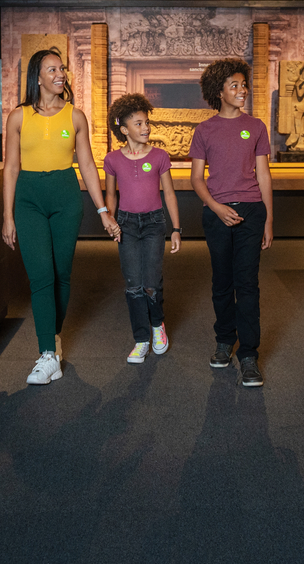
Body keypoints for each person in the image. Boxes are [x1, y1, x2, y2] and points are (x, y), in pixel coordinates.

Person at [2, 49, 121, 385]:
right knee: (40, 274)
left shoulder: (76, 116)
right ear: (37, 77)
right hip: (29, 199)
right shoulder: (19, 117)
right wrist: (7, 216)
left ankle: (52, 339)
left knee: (60, 273)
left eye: (62, 69)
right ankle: (47, 354)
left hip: (66, 196)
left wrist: (102, 211)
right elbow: (11, 168)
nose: (60, 74)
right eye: (52, 69)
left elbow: (86, 166)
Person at [188, 58, 273, 387]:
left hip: (252, 211)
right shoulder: (205, 130)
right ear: (219, 91)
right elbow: (196, 178)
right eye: (234, 85)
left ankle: (249, 354)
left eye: (243, 84)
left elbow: (264, 174)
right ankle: (225, 341)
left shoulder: (256, 127)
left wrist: (269, 219)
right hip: (217, 213)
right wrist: (216, 207)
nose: (242, 90)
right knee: (222, 282)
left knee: (248, 284)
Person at [103, 93, 181, 364]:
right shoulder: (112, 159)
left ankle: (157, 324)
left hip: (153, 223)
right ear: (124, 130)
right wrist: (111, 220)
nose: (145, 128)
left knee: (151, 282)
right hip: (126, 224)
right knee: (132, 284)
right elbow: (110, 195)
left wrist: (176, 228)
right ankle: (141, 339)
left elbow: (169, 194)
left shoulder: (160, 156)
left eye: (146, 122)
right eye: (138, 124)